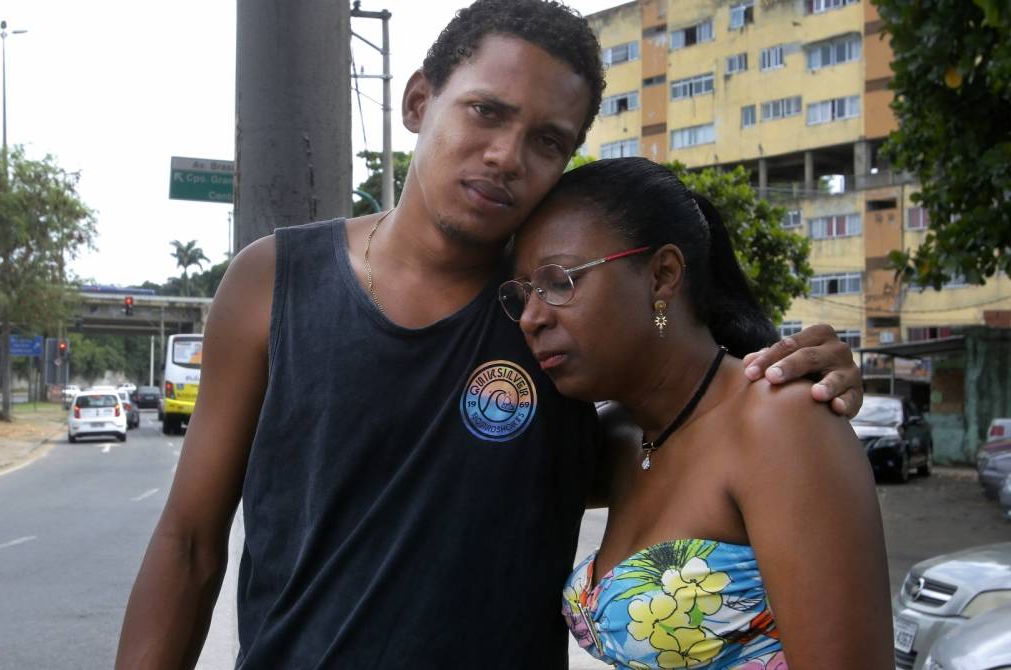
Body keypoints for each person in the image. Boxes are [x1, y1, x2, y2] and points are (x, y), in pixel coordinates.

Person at [115, 2, 865, 668]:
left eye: (547, 140)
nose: (507, 156)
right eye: (486, 111)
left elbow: (680, 426)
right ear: (418, 101)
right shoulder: (273, 281)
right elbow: (189, 543)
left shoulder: (560, 321)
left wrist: (793, 386)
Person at [501, 157, 893, 668]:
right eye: (523, 292)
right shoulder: (620, 437)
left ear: (663, 275)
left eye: (559, 281)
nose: (531, 317)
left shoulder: (780, 419)